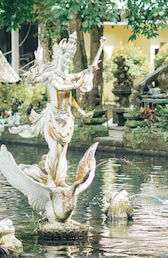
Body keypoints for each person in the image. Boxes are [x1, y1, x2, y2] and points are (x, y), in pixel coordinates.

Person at [10, 33, 104, 187]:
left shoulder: (68, 76)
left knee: (63, 153)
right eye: (66, 57)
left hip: (67, 119)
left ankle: (59, 181)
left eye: (70, 59)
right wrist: (37, 64)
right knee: (55, 151)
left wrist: (80, 111)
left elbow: (70, 97)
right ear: (59, 57)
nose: (68, 61)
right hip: (53, 117)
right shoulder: (51, 75)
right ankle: (49, 178)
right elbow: (54, 85)